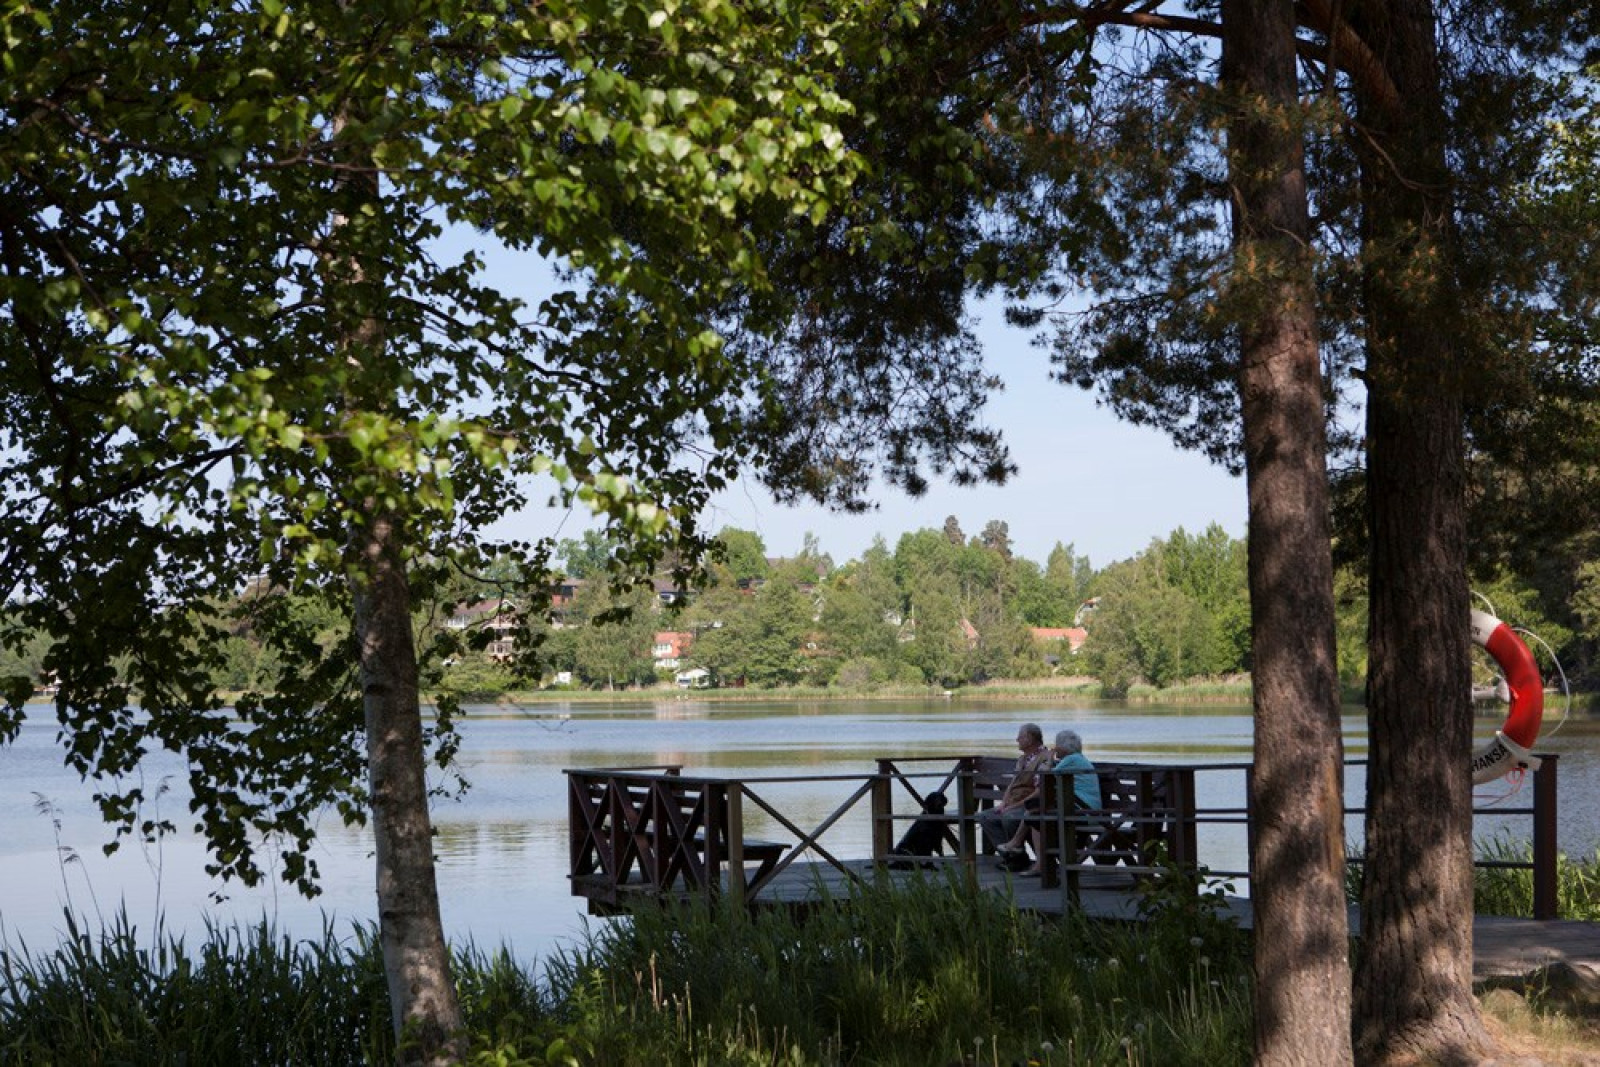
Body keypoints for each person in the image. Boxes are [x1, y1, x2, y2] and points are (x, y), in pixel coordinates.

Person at [1000, 728, 1101, 876]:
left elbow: (1045, 776)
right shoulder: (1075, 759)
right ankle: (1039, 863)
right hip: (1080, 809)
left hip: (1084, 813)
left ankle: (1019, 845)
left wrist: (1050, 757)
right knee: (1035, 815)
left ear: (1064, 747)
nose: (1054, 747)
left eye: (1057, 745)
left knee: (1034, 809)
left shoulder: (1072, 760)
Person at [979, 723, 1051, 860]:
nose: (1017, 740)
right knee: (985, 816)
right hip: (1013, 804)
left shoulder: (1045, 758)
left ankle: (1016, 855)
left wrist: (1013, 807)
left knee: (1009, 818)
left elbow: (1039, 791)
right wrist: (1003, 803)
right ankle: (1013, 857)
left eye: (1020, 737)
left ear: (1029, 739)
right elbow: (1012, 785)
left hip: (1030, 806)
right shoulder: (1022, 759)